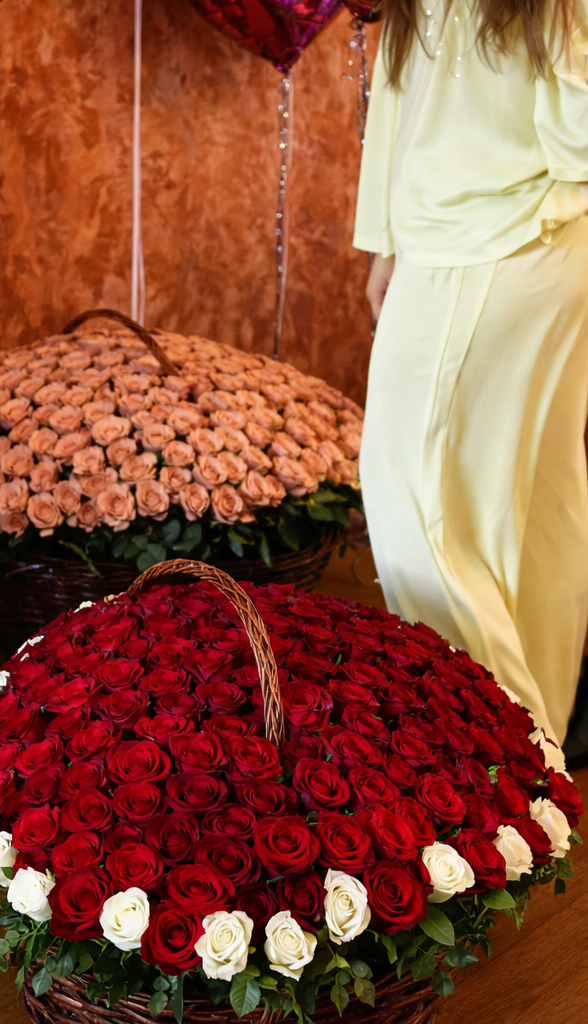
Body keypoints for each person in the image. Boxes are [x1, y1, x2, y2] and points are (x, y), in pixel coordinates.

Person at [355, 0, 588, 760]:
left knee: (416, 498)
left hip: (516, 233)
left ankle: (496, 758)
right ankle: (531, 751)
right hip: (460, 236)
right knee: (528, 498)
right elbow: (401, 89)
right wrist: (384, 242)